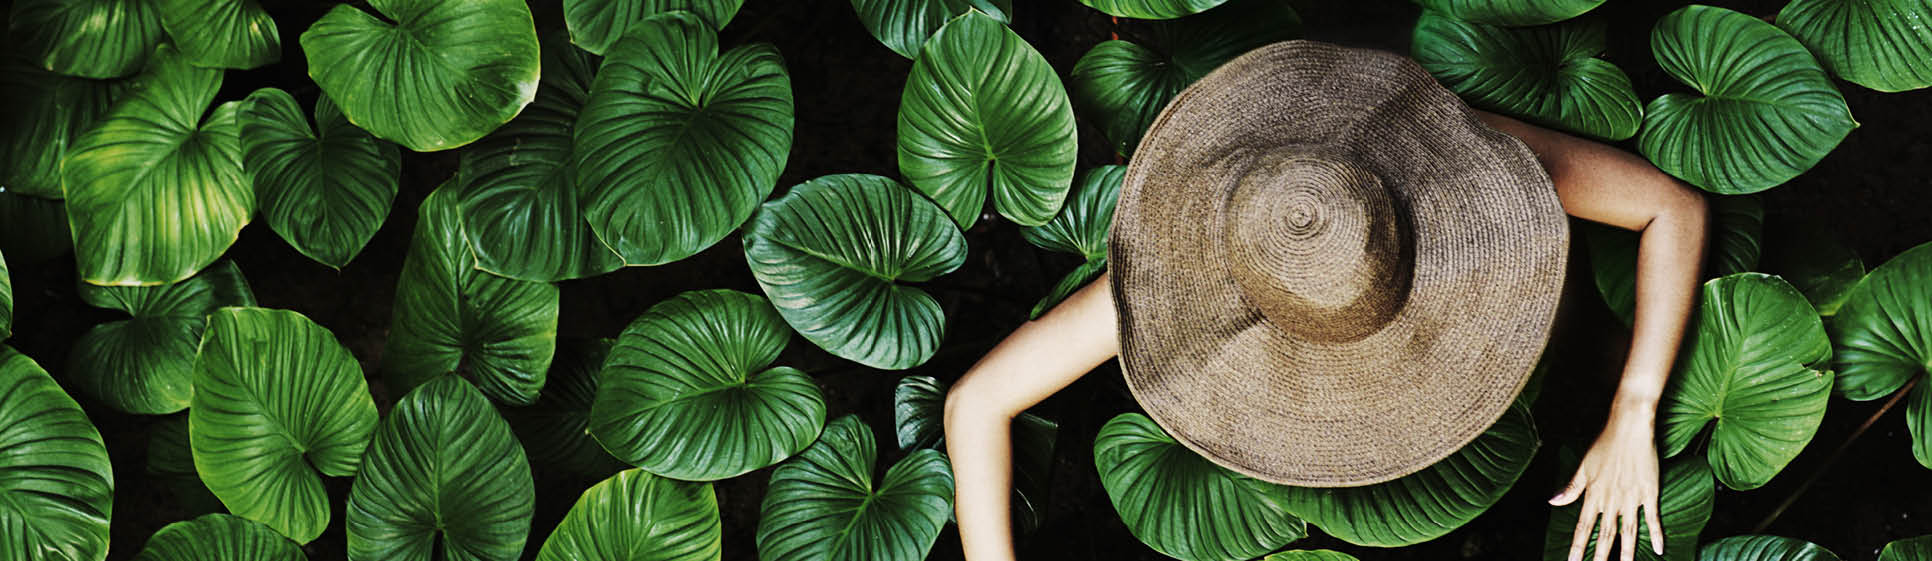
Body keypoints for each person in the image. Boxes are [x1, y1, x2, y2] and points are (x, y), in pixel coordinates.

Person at [943, 40, 1707, 561]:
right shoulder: (1204, 260)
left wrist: (1633, 407)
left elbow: (1674, 207)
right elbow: (976, 403)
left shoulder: (1463, 171)